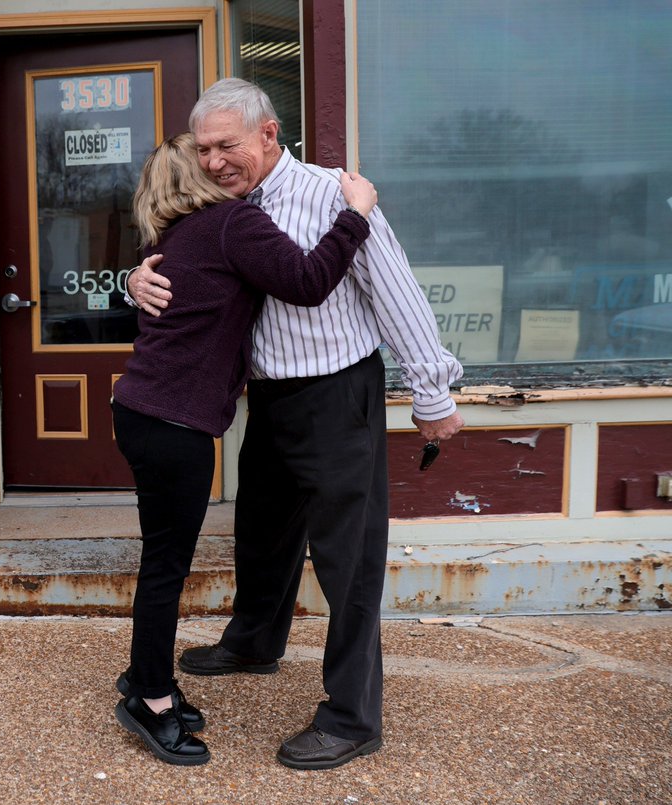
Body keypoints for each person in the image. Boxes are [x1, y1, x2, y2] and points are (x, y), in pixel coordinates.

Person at [126, 78, 466, 771]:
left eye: (229, 146)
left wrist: (433, 392)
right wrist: (132, 278)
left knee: (348, 560)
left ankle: (351, 716)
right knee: (263, 531)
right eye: (206, 149)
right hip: (268, 399)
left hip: (339, 394)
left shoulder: (331, 196)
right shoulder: (222, 207)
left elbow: (396, 292)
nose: (216, 160)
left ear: (269, 134)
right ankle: (253, 640)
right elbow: (184, 267)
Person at [111, 132, 377, 766]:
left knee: (161, 561)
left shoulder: (169, 240)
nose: (217, 166)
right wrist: (355, 215)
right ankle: (147, 697)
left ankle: (147, 679)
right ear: (192, 178)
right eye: (204, 160)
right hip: (174, 426)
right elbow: (310, 281)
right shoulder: (230, 223)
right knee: (165, 568)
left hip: (143, 413)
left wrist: (130, 279)